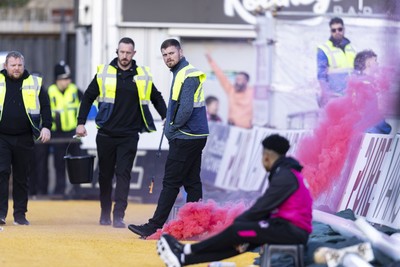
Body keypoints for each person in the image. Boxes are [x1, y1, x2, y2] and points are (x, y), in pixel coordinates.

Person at [156, 134, 313, 267]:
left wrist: (240, 221)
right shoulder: (287, 172)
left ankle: (187, 251)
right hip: (286, 228)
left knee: (235, 231)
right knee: (239, 245)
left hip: (290, 232)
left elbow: (264, 206)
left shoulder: (284, 175)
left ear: (266, 156)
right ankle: (183, 259)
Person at [75, 37, 167, 228]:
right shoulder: (104, 73)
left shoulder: (142, 75)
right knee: (105, 175)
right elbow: (88, 97)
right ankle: (104, 212)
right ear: (117, 52)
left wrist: (166, 116)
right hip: (106, 134)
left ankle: (118, 216)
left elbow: (156, 97)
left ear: (134, 54)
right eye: (122, 52)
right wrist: (81, 123)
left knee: (123, 174)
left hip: (129, 134)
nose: (124, 56)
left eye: (128, 53)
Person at [128, 38, 209, 238]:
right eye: (164, 55)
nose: (168, 58)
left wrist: (172, 127)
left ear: (180, 52)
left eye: (171, 53)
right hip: (194, 135)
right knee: (191, 182)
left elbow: (186, 109)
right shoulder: (182, 72)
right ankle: (196, 226)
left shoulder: (186, 74)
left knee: (171, 183)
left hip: (186, 136)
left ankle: (154, 226)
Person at [0, 51, 51, 225]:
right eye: (13, 65)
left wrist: (46, 127)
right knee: (1, 173)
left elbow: (45, 106)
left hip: (24, 137)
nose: (16, 68)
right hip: (2, 137)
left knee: (22, 177)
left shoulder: (35, 83)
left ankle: (20, 215)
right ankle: (0, 214)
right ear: (5, 66)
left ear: (24, 65)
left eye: (19, 65)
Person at [33, 61, 84, 198]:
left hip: (73, 134)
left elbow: (87, 105)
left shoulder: (75, 90)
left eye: (68, 78)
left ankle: (77, 191)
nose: (67, 81)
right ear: (57, 79)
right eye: (63, 79)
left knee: (76, 164)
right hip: (57, 134)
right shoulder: (50, 91)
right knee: (58, 164)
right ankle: (59, 191)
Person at [205, 53, 253, 128]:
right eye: (236, 79)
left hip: (247, 129)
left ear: (246, 81)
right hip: (232, 128)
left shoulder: (252, 92)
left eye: (240, 79)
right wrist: (211, 61)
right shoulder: (231, 90)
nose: (237, 81)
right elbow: (221, 76)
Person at [317, 17, 356, 107]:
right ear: (330, 32)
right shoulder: (324, 49)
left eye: (339, 29)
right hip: (334, 98)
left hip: (350, 98)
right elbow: (321, 75)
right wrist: (326, 95)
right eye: (334, 30)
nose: (337, 32)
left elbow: (356, 71)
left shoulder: (351, 48)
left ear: (344, 30)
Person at [353, 50, 392, 134]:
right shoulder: (366, 85)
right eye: (375, 61)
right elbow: (371, 113)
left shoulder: (360, 82)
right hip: (371, 131)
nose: (378, 64)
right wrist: (386, 128)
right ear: (368, 63)